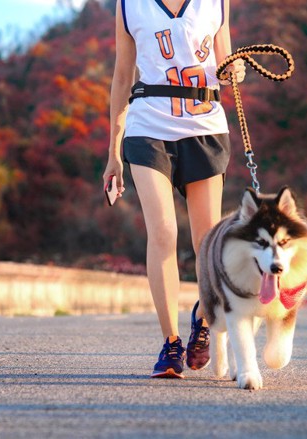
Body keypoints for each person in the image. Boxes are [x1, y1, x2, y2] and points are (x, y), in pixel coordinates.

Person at [102, 0, 245, 378]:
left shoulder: (216, 2)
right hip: (148, 126)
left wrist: (235, 72)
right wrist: (114, 151)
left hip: (204, 128)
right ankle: (170, 342)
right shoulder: (128, 5)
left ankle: (203, 314)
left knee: (206, 242)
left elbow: (224, 58)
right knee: (163, 231)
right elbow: (121, 75)